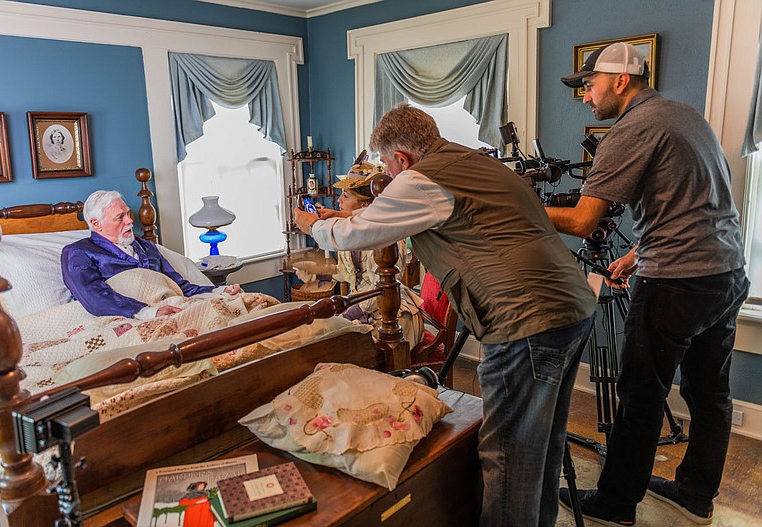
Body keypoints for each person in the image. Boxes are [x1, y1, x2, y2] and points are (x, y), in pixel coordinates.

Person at [294, 104, 597, 526]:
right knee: (540, 444)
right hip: (573, 307)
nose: (385, 172)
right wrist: (347, 214)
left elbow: (350, 236)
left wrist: (312, 224)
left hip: (524, 318)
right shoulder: (474, 162)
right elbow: (395, 217)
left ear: (402, 158)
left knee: (507, 452)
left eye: (386, 164)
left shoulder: (420, 179)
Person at [548, 42, 749, 526]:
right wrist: (638, 252)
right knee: (709, 394)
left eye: (589, 85)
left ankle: (616, 504)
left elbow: (580, 221)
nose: (585, 97)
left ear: (620, 81)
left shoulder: (632, 128)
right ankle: (696, 493)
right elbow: (695, 201)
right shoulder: (685, 116)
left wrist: (512, 206)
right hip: (726, 273)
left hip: (677, 282)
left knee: (640, 394)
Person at [298, 160, 424, 348]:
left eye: (346, 196)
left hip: (392, 317)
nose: (339, 201)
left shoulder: (387, 238)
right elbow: (347, 272)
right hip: (361, 310)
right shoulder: (352, 233)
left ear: (365, 204)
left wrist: (344, 315)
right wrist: (316, 273)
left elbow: (380, 291)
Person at [61, 190, 240, 319]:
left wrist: (219, 291)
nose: (130, 220)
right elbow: (93, 296)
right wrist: (147, 312)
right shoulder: (78, 252)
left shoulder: (146, 246)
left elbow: (181, 287)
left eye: (128, 214)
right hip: (130, 316)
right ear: (96, 224)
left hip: (173, 305)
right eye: (120, 217)